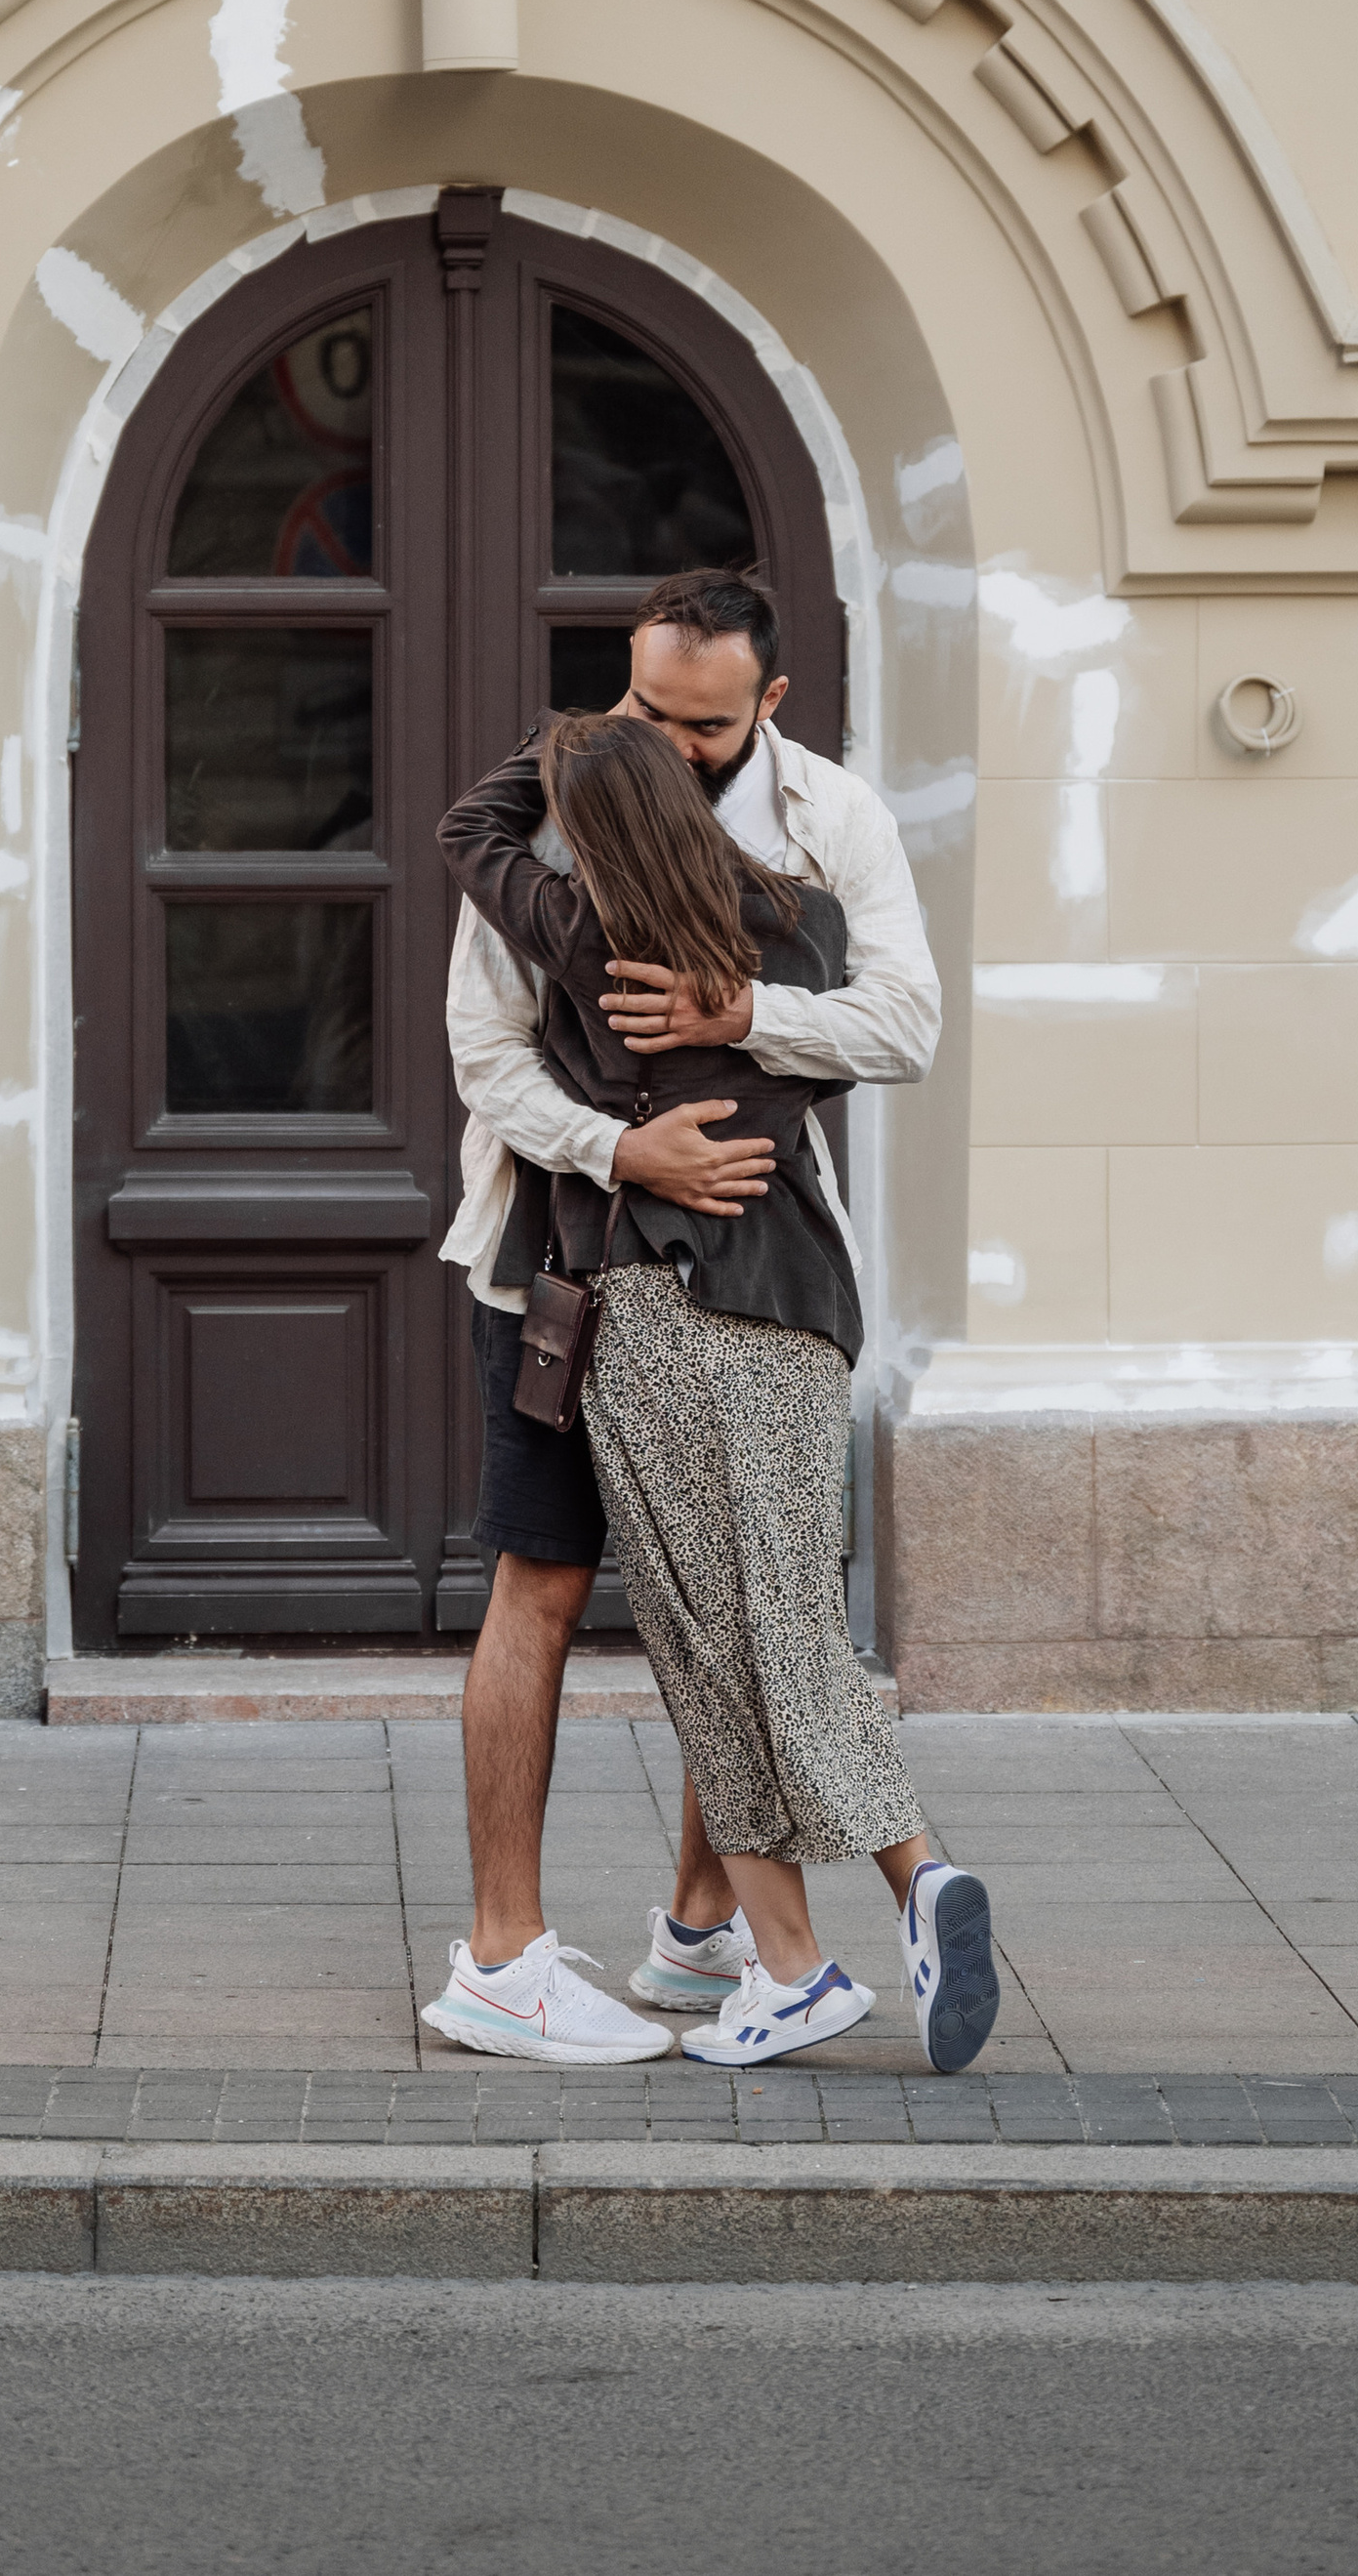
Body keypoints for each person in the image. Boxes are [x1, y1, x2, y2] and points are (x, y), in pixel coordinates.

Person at [421, 568, 996, 2072]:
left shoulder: (816, 831)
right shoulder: (621, 859)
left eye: (707, 725)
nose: (675, 750)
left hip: (687, 1293)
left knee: (718, 1605)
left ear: (773, 704)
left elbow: (906, 1026)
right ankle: (518, 1948)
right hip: (571, 1269)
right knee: (581, 1585)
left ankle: (728, 1935)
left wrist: (734, 1022)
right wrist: (632, 1143)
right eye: (648, 718)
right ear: (628, 694)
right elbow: (487, 1062)